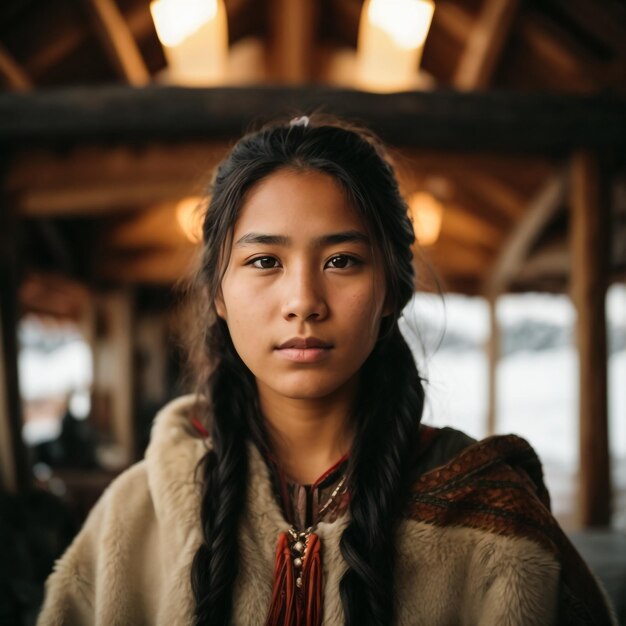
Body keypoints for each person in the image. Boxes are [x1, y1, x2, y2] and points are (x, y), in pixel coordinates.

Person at [37, 116, 616, 626]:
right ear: (218, 292)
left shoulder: (490, 516)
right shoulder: (135, 517)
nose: (304, 300)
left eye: (342, 261)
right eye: (265, 261)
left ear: (390, 289)